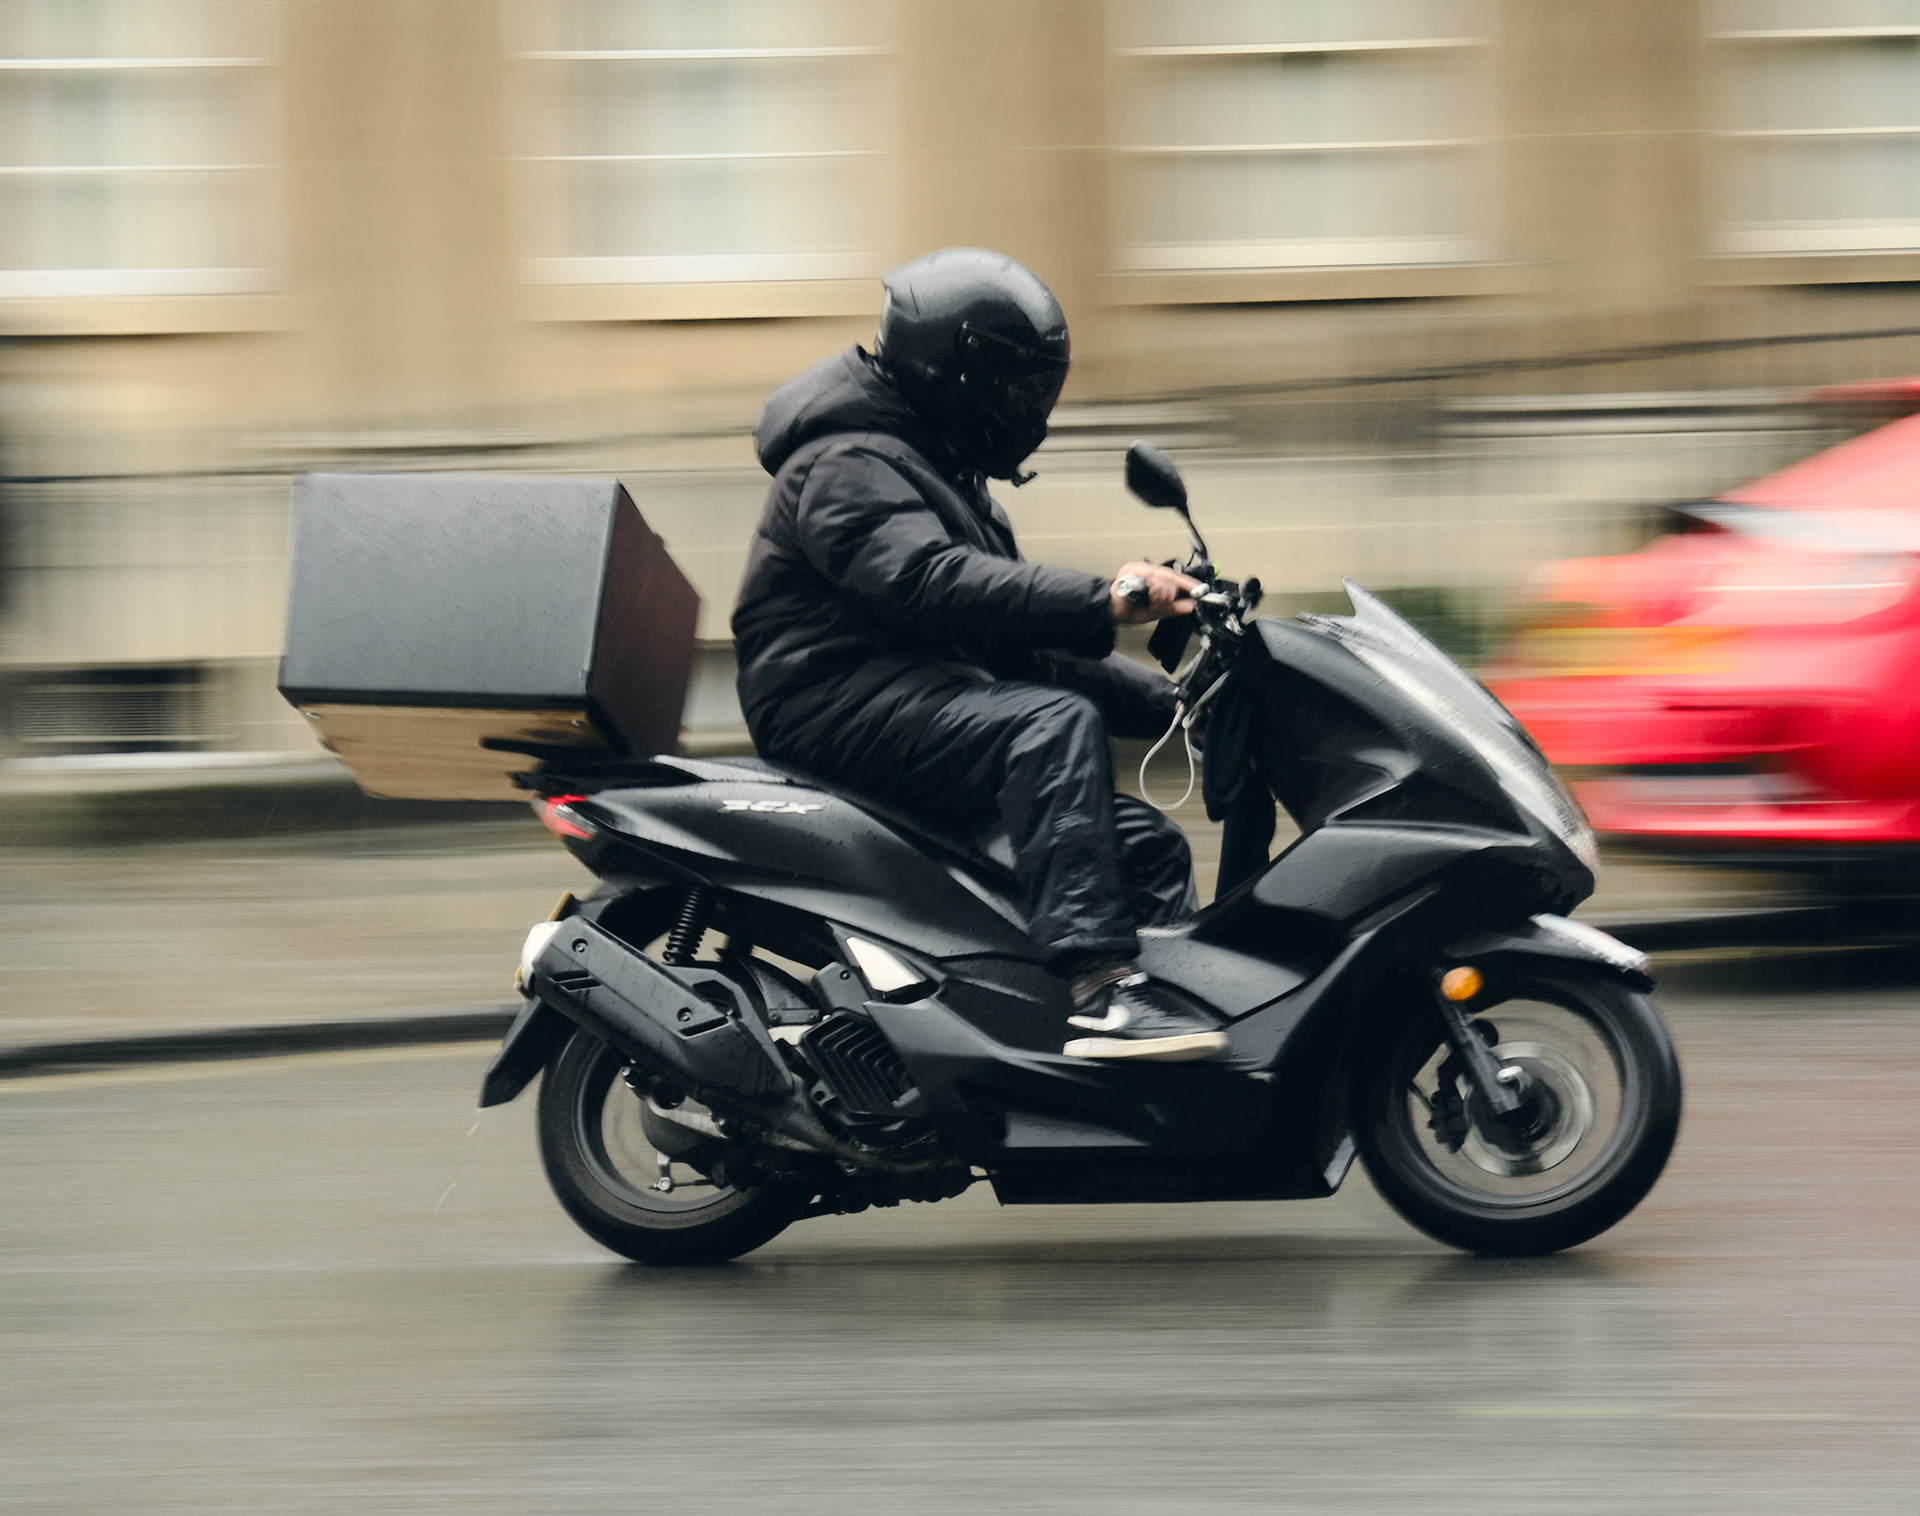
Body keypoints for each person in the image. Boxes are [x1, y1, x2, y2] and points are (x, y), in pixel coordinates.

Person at [731, 247, 1226, 1062]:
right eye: (1014, 387)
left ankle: (1163, 1019)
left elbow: (1020, 645)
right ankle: (1105, 989)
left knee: (1146, 847)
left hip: (912, 696)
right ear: (950, 376)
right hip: (829, 703)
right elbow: (929, 582)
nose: (1028, 409)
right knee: (1046, 727)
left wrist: (1173, 707)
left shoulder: (939, 474)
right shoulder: (846, 463)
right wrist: (1106, 599)